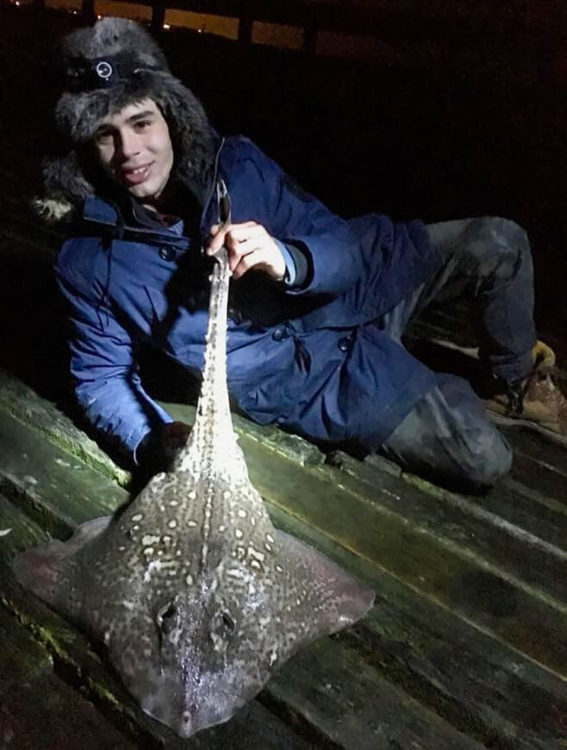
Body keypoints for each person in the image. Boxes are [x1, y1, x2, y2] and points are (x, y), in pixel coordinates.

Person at [38, 17, 566, 492]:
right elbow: (101, 378)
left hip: (356, 291)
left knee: (498, 240)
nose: (129, 151)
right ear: (85, 149)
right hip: (311, 379)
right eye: (105, 136)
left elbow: (340, 242)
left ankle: (511, 380)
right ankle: (414, 381)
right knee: (484, 456)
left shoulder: (238, 164)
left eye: (141, 123)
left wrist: (287, 258)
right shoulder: (89, 262)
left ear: (170, 117)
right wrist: (157, 440)